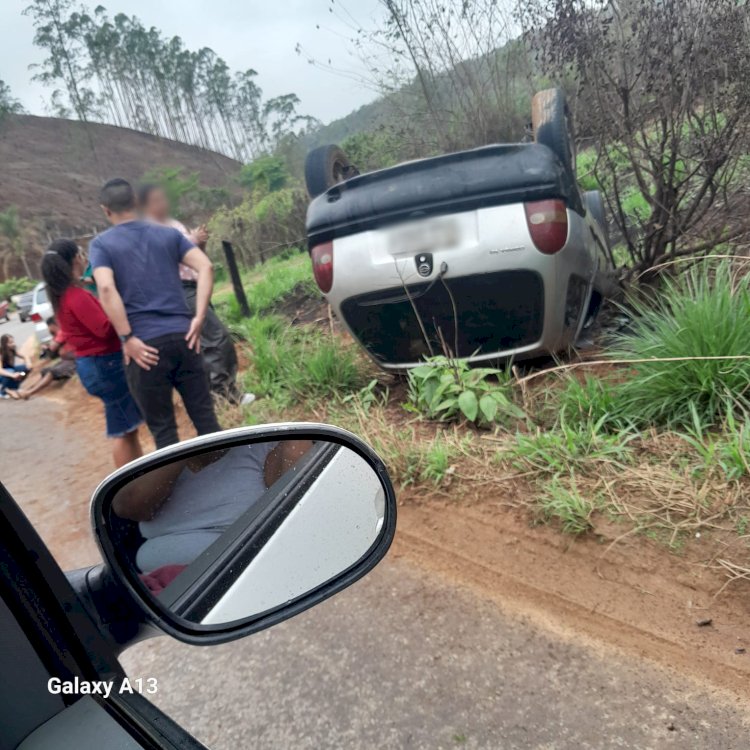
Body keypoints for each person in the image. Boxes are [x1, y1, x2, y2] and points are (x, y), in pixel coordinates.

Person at [90, 178, 221, 449]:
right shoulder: (168, 235)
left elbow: (105, 287)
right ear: (136, 203)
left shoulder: (102, 245)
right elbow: (206, 267)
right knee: (206, 420)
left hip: (144, 349)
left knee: (164, 433)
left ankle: (179, 488)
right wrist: (198, 318)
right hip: (185, 338)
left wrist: (128, 338)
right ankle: (231, 478)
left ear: (106, 210)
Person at [111, 440, 312, 572]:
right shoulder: (179, 449)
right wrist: (185, 447)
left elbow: (294, 503)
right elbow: (126, 506)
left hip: (186, 584)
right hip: (135, 556)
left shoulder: (268, 448)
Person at [137, 183, 254, 406]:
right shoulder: (148, 230)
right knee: (217, 338)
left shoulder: (172, 224)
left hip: (194, 285)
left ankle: (217, 393)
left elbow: (195, 258)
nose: (162, 203)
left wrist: (201, 244)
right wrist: (192, 240)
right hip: (179, 289)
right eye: (156, 200)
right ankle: (225, 395)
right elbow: (165, 255)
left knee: (205, 341)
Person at [40, 239, 143, 468]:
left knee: (129, 427)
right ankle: (130, 481)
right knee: (123, 430)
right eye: (81, 253)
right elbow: (105, 330)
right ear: (75, 259)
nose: (84, 256)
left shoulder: (66, 295)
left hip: (97, 365)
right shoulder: (76, 296)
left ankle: (140, 472)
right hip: (105, 366)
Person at [17, 317, 77, 399]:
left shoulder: (61, 332)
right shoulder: (57, 334)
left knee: (52, 372)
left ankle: (29, 392)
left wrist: (49, 345)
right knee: (45, 371)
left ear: (52, 325)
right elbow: (53, 350)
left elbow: (53, 347)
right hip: (66, 360)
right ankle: (28, 389)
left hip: (74, 361)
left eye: (48, 327)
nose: (48, 330)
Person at [0, 334, 30, 399]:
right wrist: (12, 375)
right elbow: (0, 370)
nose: (13, 344)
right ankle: (3, 391)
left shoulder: (12, 350)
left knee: (24, 370)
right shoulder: (1, 354)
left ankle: (15, 387)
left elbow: (24, 356)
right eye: (10, 343)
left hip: (11, 371)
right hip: (3, 374)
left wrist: (28, 363)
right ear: (4, 344)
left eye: (13, 342)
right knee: (11, 371)